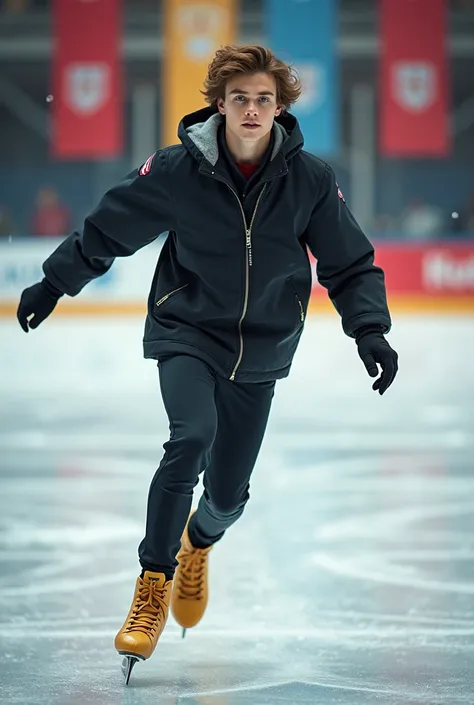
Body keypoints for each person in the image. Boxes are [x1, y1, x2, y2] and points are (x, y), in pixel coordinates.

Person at [16, 45, 398, 684]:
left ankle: (200, 541)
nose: (252, 110)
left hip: (263, 349)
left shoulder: (307, 179)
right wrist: (54, 283)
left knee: (226, 498)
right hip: (186, 331)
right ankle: (153, 584)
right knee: (188, 437)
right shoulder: (176, 171)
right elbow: (107, 230)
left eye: (264, 100)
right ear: (219, 104)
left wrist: (371, 332)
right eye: (241, 98)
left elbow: (350, 264)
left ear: (280, 109)